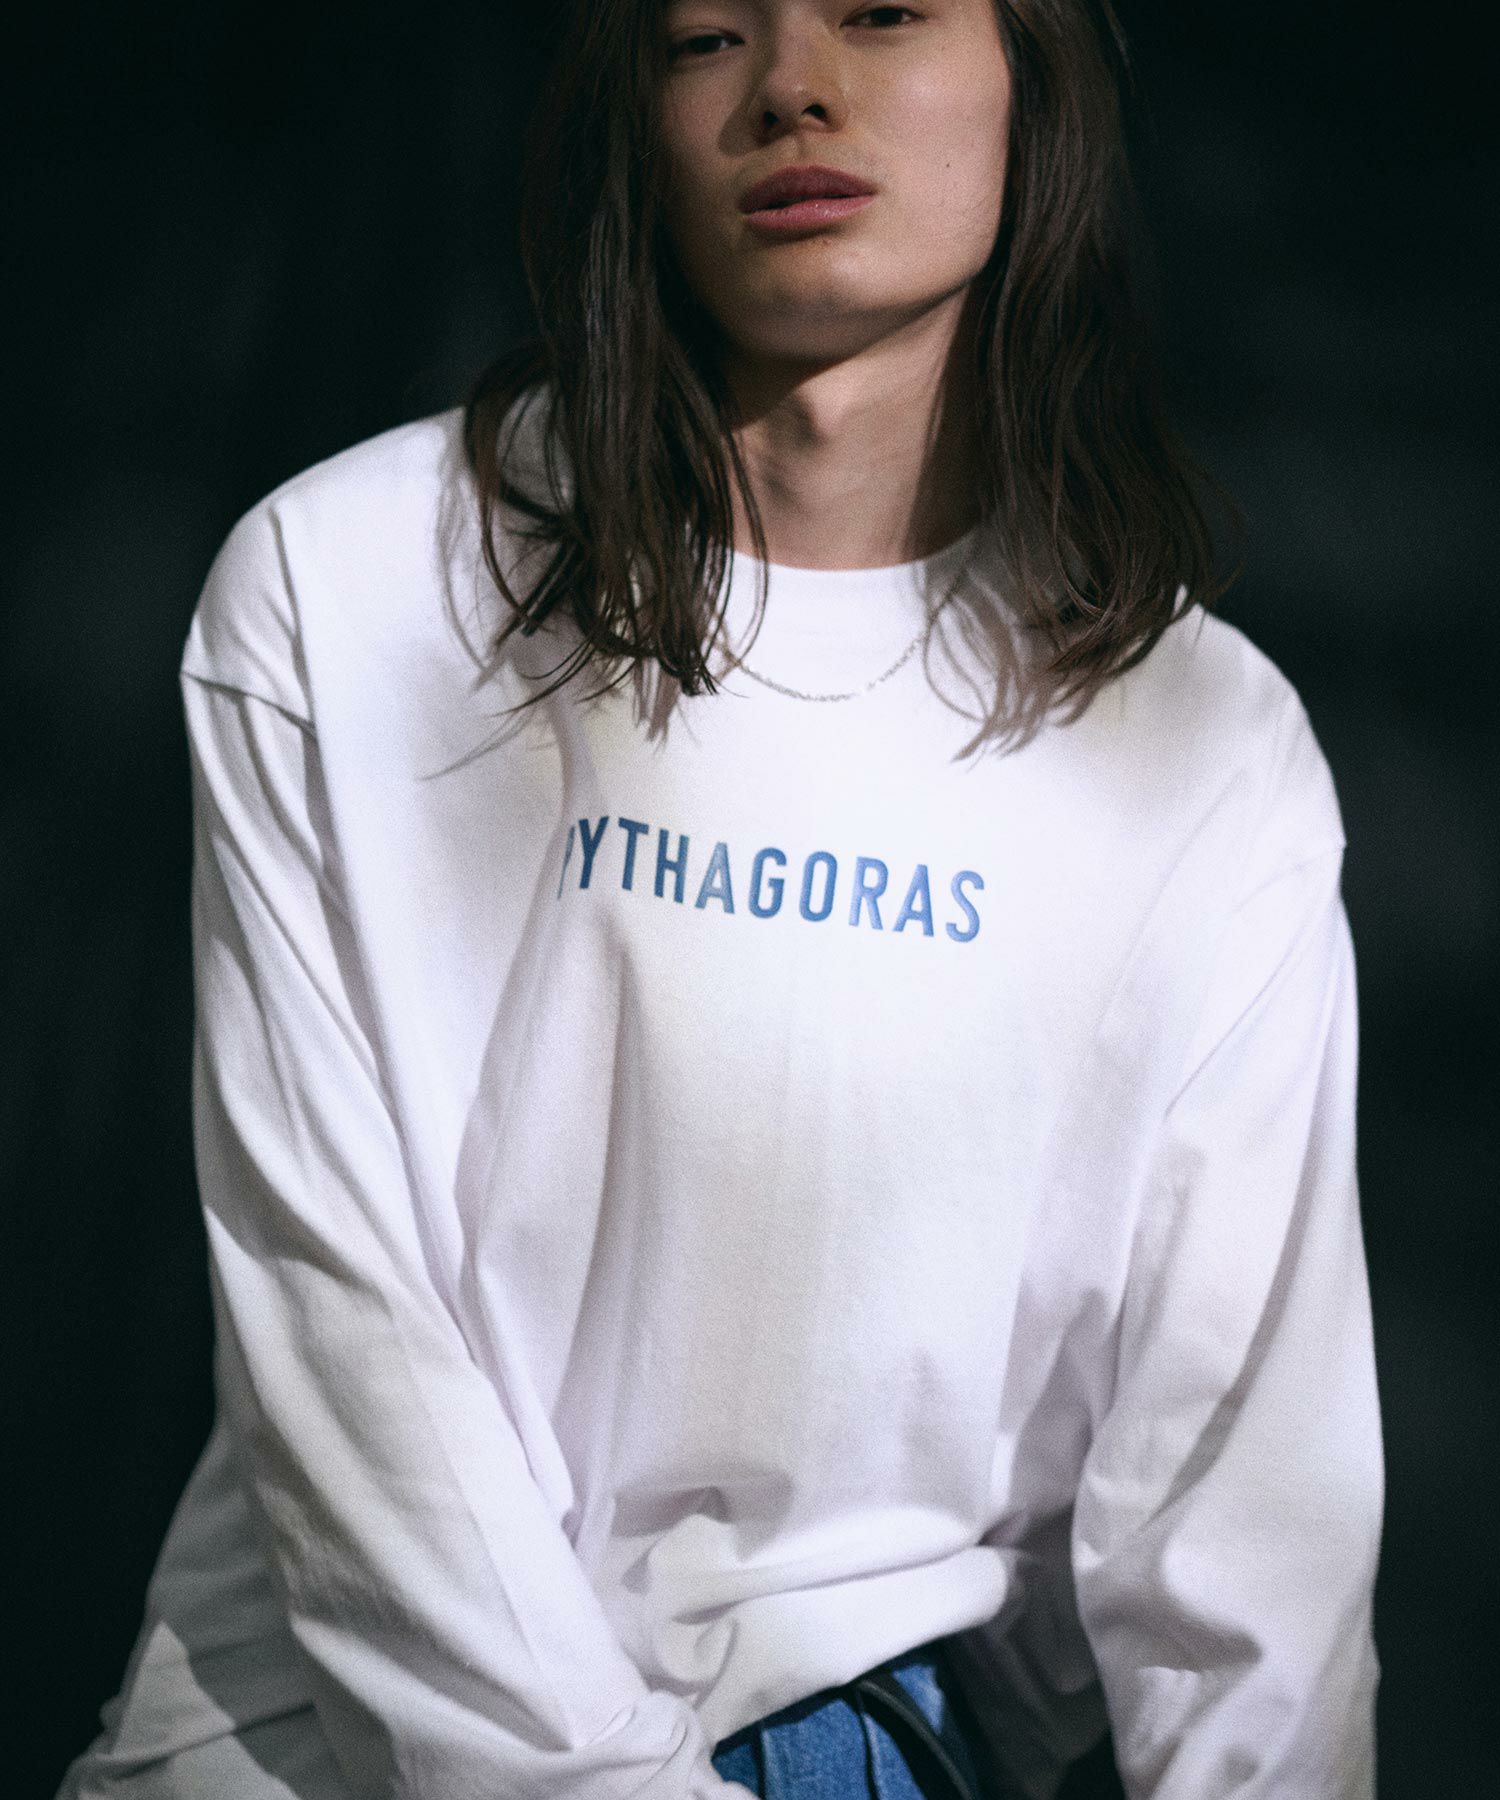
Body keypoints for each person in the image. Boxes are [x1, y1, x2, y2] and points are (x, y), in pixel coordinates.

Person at [56, 1, 1383, 1797]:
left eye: (884, 11)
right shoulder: (343, 591)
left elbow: (1247, 1529)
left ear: (1035, 84)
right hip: (322, 1745)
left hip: (860, 1736)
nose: (793, 88)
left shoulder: (1208, 749)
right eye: (704, 36)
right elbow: (345, 1336)